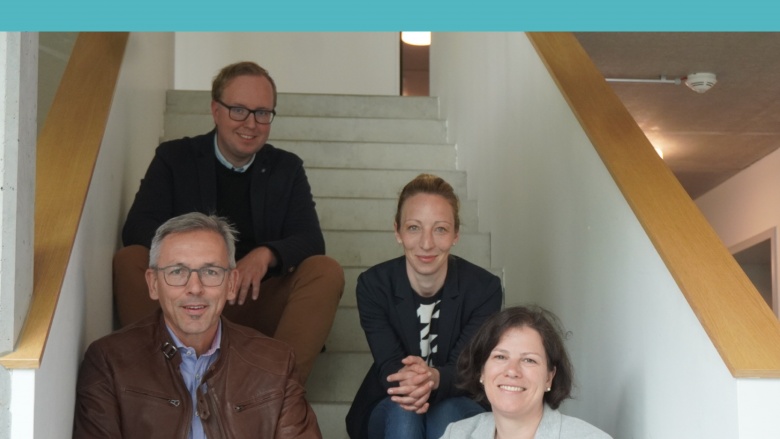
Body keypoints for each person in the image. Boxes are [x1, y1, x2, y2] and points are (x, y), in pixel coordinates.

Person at [113, 61, 344, 384]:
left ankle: (275, 394)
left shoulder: (286, 167)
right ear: (216, 110)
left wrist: (266, 255)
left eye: (262, 113)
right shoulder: (174, 157)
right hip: (188, 295)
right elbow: (137, 227)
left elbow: (310, 240)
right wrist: (198, 262)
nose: (251, 123)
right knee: (130, 260)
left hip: (250, 298)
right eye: (239, 110)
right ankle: (162, 384)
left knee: (325, 270)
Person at [74, 212, 321, 438]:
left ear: (231, 283)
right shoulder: (109, 361)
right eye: (177, 272)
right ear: (153, 283)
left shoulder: (276, 363)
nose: (194, 288)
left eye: (211, 272)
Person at [345, 173, 503, 439]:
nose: (426, 243)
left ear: (456, 234)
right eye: (414, 228)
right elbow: (389, 365)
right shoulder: (374, 285)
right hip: (390, 402)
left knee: (447, 414)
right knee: (405, 410)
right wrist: (417, 380)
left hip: (460, 399)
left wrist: (434, 378)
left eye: (440, 229)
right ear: (397, 231)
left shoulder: (483, 289)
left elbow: (465, 369)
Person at [440, 306, 612, 439]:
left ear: (549, 377)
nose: (512, 371)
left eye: (529, 360)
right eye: (500, 357)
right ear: (481, 371)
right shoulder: (457, 434)